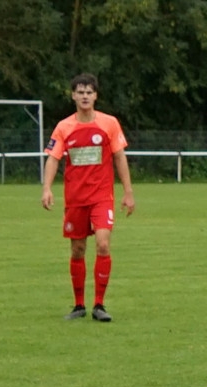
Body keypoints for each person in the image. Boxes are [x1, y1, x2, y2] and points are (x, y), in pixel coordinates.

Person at [42, 73, 135, 322]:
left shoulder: (109, 124)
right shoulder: (64, 127)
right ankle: (79, 305)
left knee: (103, 244)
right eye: (80, 92)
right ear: (73, 95)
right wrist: (47, 188)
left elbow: (119, 157)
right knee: (78, 250)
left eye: (89, 92)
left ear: (96, 96)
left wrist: (128, 192)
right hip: (75, 198)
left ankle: (99, 305)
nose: (84, 96)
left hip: (102, 196)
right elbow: (53, 158)